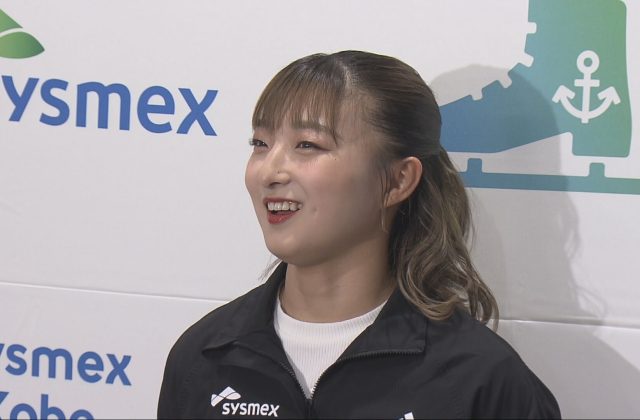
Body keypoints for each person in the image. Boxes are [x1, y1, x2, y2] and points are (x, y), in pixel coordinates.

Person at [158, 51, 561, 419]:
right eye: (260, 143)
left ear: (399, 180)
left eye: (307, 145)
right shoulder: (204, 357)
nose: (269, 171)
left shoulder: (479, 380)